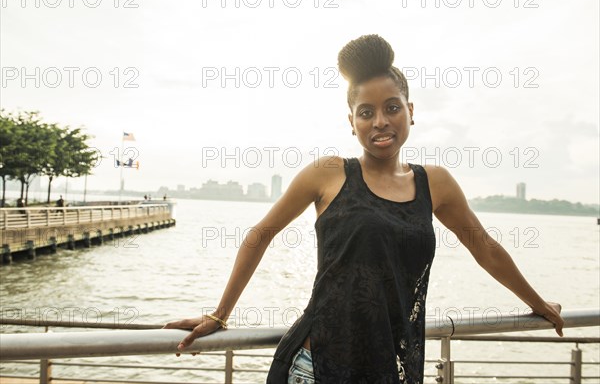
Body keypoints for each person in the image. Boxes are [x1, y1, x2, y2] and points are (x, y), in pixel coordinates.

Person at [163, 35, 564, 383]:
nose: (380, 122)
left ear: (411, 111)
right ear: (351, 121)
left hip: (389, 367)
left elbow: (485, 247)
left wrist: (538, 304)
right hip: (314, 365)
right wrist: (218, 315)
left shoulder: (435, 183)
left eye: (392, 107)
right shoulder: (328, 173)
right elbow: (259, 236)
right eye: (366, 113)